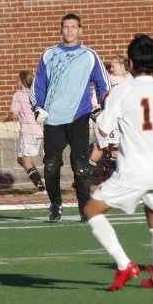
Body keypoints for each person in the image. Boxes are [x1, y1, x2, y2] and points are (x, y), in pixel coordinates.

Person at [83, 34, 153, 290]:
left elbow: (103, 130)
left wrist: (106, 103)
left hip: (134, 170)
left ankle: (124, 264)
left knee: (91, 211)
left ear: (131, 63)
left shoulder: (123, 91)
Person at [31, 13, 110, 222]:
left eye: (74, 27)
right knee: (51, 165)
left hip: (79, 118)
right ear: (61, 30)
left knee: (81, 166)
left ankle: (85, 209)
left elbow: (104, 84)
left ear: (81, 30)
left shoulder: (90, 55)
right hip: (53, 120)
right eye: (66, 27)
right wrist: (37, 107)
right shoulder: (49, 54)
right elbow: (38, 83)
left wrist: (102, 107)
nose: (70, 31)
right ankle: (55, 205)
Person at [2, 71, 46, 194]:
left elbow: (14, 114)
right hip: (39, 131)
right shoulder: (37, 94)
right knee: (21, 159)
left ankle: (41, 188)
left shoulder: (19, 95)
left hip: (28, 132)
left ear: (22, 82)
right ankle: (40, 180)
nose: (16, 82)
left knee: (25, 161)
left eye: (17, 80)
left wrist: (5, 119)